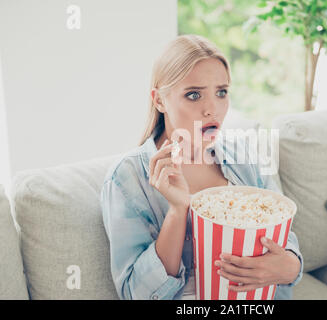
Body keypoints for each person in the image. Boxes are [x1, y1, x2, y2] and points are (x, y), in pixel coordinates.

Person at [100, 34, 304, 300]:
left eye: (221, 92)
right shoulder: (126, 180)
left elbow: (284, 236)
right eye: (194, 95)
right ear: (159, 100)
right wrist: (177, 210)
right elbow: (134, 293)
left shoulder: (245, 160)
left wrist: (291, 266)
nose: (212, 109)